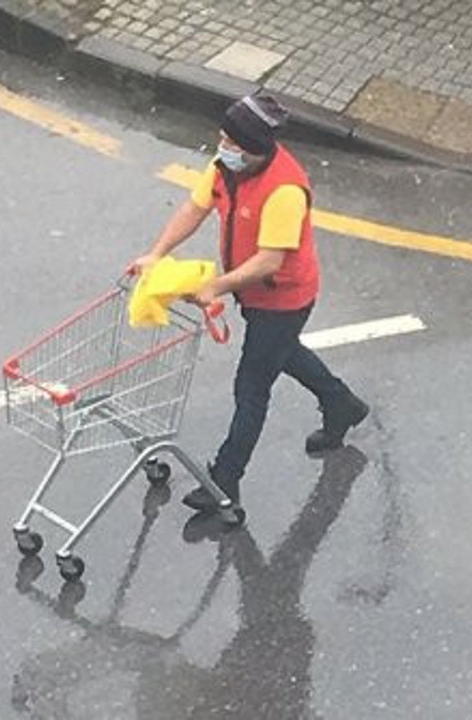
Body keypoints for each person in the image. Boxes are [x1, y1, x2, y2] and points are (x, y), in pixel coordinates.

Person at [133, 93, 369, 520]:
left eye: (231, 141)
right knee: (283, 354)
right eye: (222, 138)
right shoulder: (226, 167)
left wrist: (216, 286)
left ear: (255, 148)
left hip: (284, 297)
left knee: (252, 385)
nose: (222, 147)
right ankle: (341, 404)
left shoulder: (285, 190)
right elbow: (194, 208)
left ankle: (226, 478)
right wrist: (157, 253)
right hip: (254, 295)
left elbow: (269, 261)